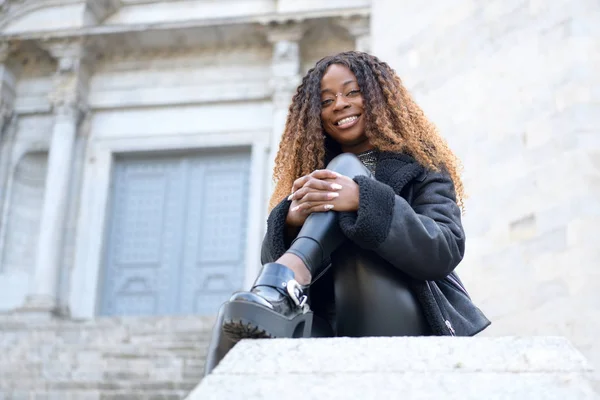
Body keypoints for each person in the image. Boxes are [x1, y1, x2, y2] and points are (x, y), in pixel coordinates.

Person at [203, 51, 489, 375]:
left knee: (344, 171)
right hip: (325, 323)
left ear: (379, 99)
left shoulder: (424, 167)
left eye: (352, 92)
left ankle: (289, 276)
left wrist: (363, 200)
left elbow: (444, 248)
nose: (339, 104)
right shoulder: (310, 179)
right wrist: (290, 221)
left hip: (403, 314)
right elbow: (267, 257)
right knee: (237, 319)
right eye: (326, 101)